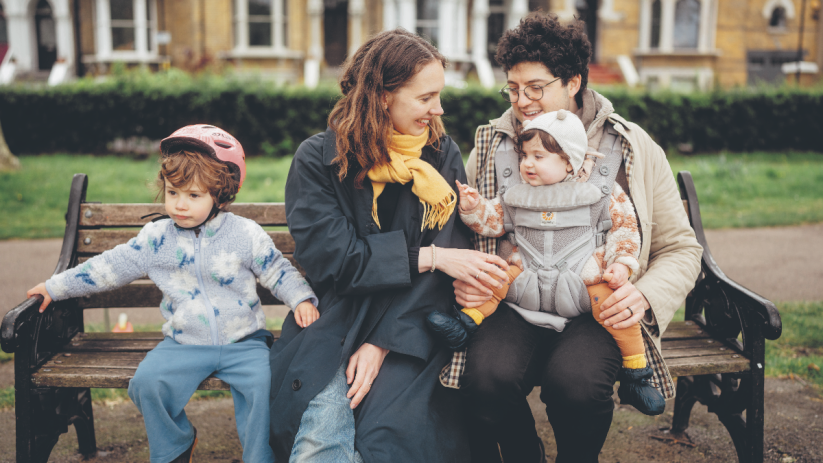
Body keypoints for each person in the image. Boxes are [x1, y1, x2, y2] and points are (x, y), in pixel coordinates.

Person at [444, 13, 703, 463]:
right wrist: (466, 274)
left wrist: (642, 295)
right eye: (513, 88)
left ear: (574, 82)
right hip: (514, 298)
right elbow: (471, 227)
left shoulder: (631, 146)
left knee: (577, 385)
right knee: (484, 377)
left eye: (536, 87)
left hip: (596, 305)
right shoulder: (493, 144)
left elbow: (682, 248)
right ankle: (527, 453)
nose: (522, 102)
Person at [269, 29, 510, 463]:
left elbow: (450, 267)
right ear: (383, 96)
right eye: (425, 97)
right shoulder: (318, 159)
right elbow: (334, 261)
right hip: (336, 319)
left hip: (413, 323)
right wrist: (429, 257)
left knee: (391, 436)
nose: (438, 109)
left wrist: (383, 343)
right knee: (320, 431)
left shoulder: (440, 155)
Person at [27, 125, 319, 463]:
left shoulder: (244, 234)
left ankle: (260, 457)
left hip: (244, 342)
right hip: (184, 344)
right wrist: (55, 286)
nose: (180, 205)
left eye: (193, 196)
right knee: (147, 384)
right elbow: (108, 266)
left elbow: (277, 269)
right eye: (173, 193)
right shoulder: (156, 239)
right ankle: (176, 444)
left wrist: (301, 298)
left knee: (264, 387)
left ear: (220, 196)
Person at [429, 109, 666, 416]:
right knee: (496, 278)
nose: (527, 163)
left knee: (616, 311)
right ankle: (464, 324)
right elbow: (493, 222)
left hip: (581, 281)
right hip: (525, 276)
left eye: (538, 156)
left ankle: (637, 375)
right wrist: (475, 208)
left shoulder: (600, 193)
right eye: (524, 155)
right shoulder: (518, 194)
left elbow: (625, 228)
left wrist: (621, 265)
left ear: (569, 159)